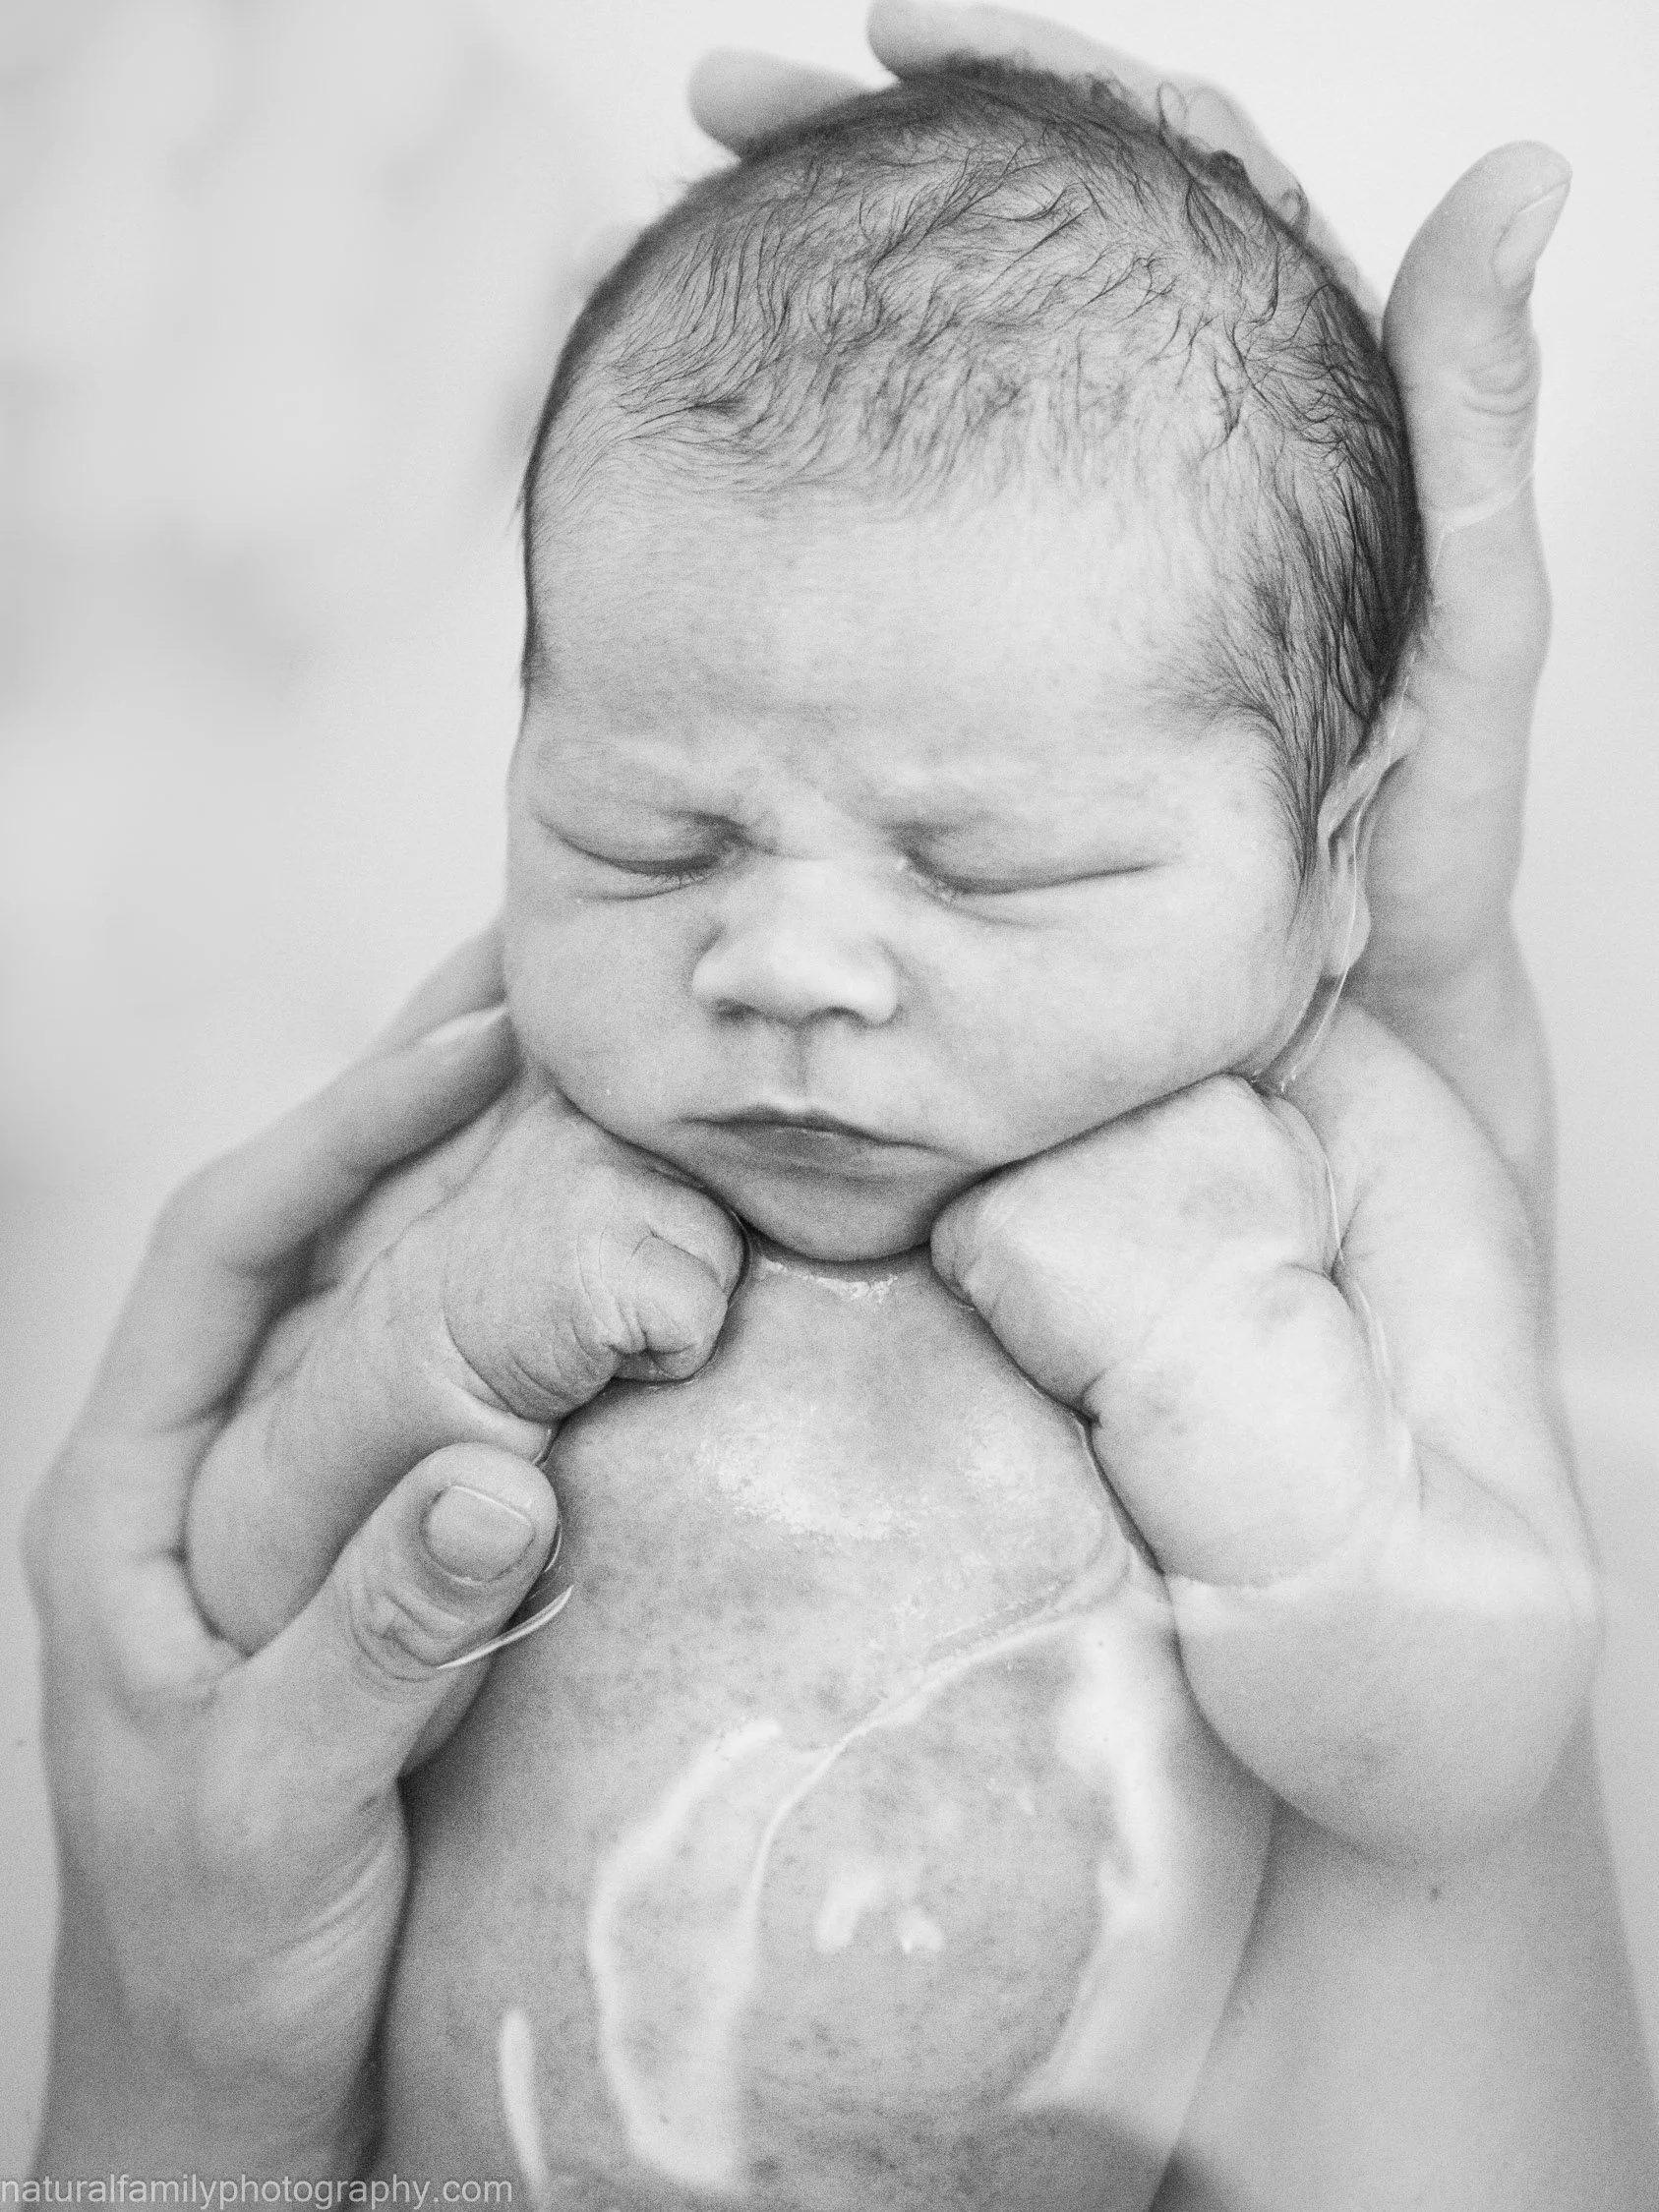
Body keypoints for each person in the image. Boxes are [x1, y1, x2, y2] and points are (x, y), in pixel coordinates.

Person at [27, 5, 1658, 2204]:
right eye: (644, 838)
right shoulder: (502, 1139)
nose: (782, 966)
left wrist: (1230, 1386)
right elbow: (232, 1635)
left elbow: (1464, 1743)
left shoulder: (1342, 1167)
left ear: (1336, 854)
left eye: (992, 868)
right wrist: (426, 1356)